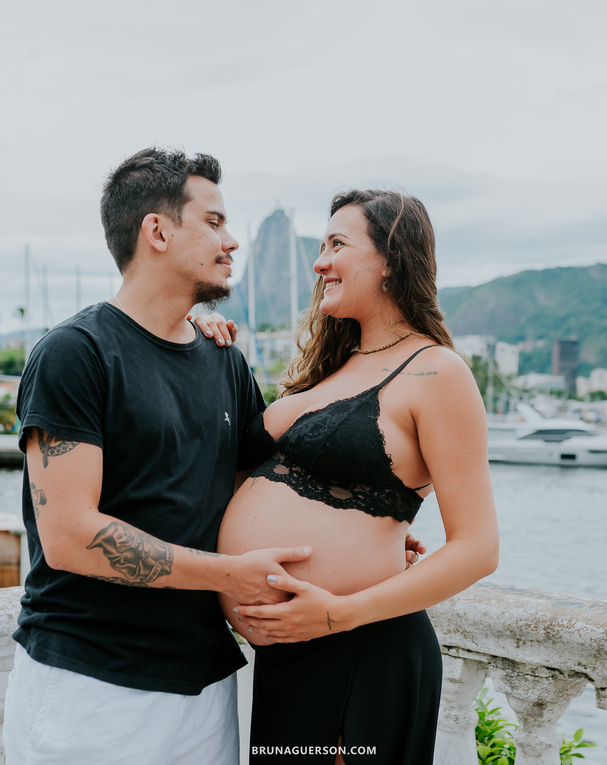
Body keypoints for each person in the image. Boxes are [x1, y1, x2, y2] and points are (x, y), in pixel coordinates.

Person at [2, 147, 317, 765]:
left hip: (205, 687)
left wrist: (368, 535)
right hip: (92, 688)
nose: (231, 242)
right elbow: (69, 535)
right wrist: (230, 575)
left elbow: (262, 487)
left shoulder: (223, 358)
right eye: (214, 222)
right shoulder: (76, 353)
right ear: (157, 230)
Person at [210, 189, 499, 764]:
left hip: (359, 649)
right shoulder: (333, 369)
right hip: (290, 653)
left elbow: (478, 549)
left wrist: (336, 612)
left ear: (391, 258)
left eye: (336, 245)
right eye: (321, 247)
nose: (319, 263)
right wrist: (205, 344)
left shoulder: (436, 371)